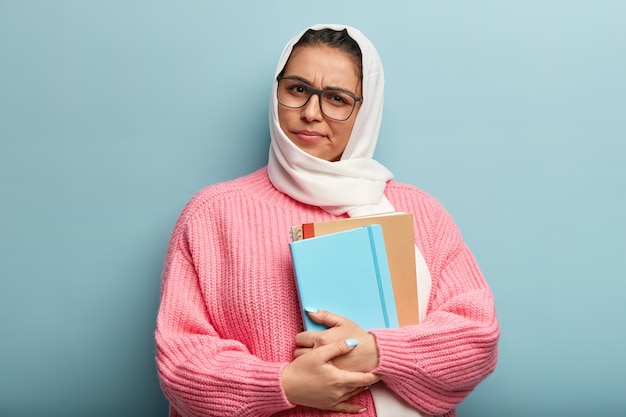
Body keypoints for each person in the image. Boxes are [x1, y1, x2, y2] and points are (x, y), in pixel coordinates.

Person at [155, 24, 499, 417]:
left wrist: (377, 352)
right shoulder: (213, 214)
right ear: (277, 91)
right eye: (297, 89)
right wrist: (285, 385)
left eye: (337, 98)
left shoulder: (419, 213)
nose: (311, 113)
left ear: (365, 110)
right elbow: (182, 362)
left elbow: (476, 337)